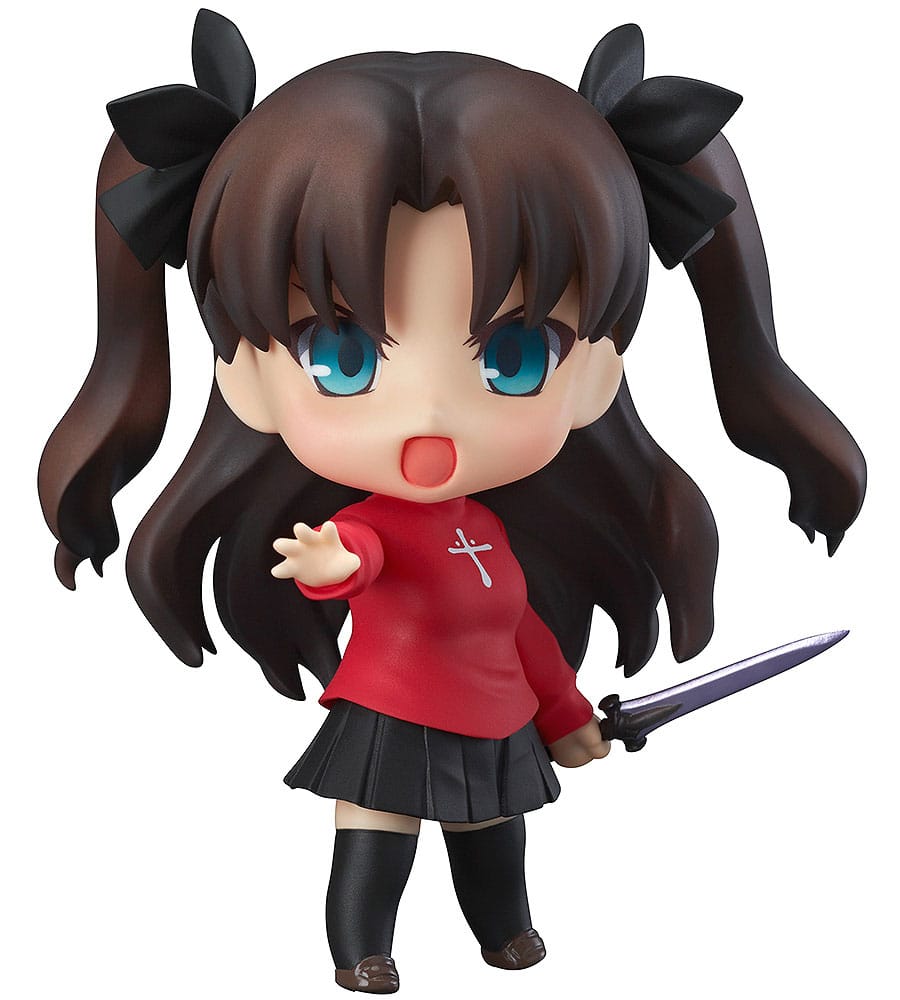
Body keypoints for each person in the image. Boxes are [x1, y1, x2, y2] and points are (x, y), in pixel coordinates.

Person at [38, 10, 866, 994]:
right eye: (339, 356)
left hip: (492, 713)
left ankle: (504, 933)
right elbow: (360, 556)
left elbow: (522, 632)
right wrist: (330, 565)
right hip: (390, 710)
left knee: (494, 836)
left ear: (597, 373)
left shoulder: (488, 536)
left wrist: (567, 718)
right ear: (247, 378)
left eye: (516, 355)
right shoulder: (372, 523)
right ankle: (362, 949)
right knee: (376, 834)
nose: (429, 418)